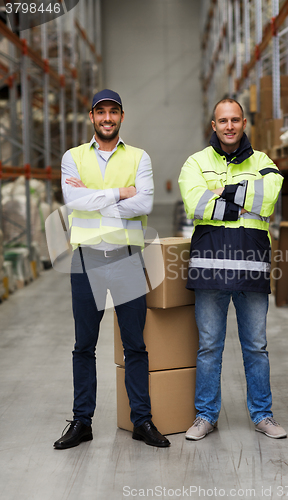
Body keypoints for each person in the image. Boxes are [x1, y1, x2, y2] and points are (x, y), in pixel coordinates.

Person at [54, 89, 170, 449]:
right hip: (85, 260)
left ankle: (142, 421)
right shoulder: (72, 157)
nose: (107, 118)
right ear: (91, 117)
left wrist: (94, 199)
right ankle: (82, 422)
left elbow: (145, 201)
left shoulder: (140, 156)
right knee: (83, 345)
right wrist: (121, 192)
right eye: (100, 112)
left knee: (135, 344)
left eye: (113, 112)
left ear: (122, 116)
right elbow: (73, 201)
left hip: (127, 258)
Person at [178, 98, 286, 441]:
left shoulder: (264, 162)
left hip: (251, 268)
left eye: (235, 120)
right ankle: (206, 416)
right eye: (222, 120)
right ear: (213, 125)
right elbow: (194, 202)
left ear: (243, 124)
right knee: (209, 346)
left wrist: (220, 193)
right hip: (210, 269)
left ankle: (263, 415)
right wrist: (242, 196)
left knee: (256, 346)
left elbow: (269, 198)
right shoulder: (195, 162)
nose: (229, 126)